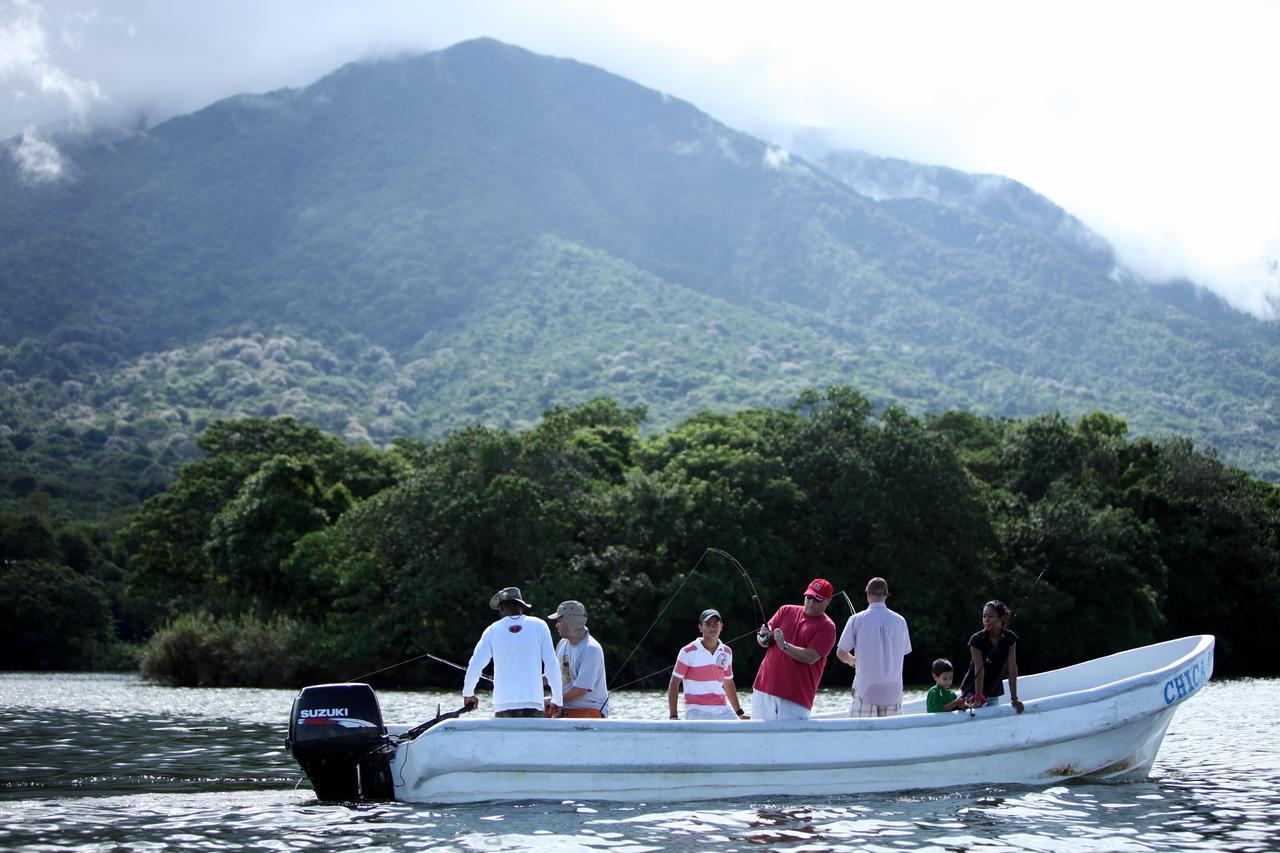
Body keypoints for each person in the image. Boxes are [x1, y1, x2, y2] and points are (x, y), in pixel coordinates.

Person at [463, 586, 562, 717]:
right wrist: (557, 699)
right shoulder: (540, 625)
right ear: (521, 607)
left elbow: (475, 664)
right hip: (534, 703)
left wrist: (468, 693)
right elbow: (551, 664)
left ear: (502, 607)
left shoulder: (492, 630)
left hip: (503, 704)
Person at [751, 579, 838, 720]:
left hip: (795, 697)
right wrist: (763, 637)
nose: (811, 601)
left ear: (828, 601)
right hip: (763, 688)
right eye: (808, 596)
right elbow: (763, 641)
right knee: (759, 739)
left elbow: (811, 657)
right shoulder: (786, 610)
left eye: (817, 599)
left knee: (791, 742)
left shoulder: (827, 627)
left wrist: (784, 645)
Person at [836, 577, 912, 717]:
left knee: (860, 737)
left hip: (866, 691)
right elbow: (904, 652)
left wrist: (852, 660)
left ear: (868, 594)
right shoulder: (901, 621)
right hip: (893, 692)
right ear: (886, 595)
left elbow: (841, 653)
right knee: (890, 737)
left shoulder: (856, 619)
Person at [667, 609, 748, 720]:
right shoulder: (687, 651)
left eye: (716, 624)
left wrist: (739, 713)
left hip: (722, 709)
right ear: (700, 627)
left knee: (741, 733)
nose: (712, 627)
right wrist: (673, 716)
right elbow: (674, 682)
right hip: (695, 710)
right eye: (708, 624)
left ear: (721, 626)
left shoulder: (727, 652)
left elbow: (728, 682)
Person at [959, 599, 1024, 713]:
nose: (986, 620)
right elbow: (979, 669)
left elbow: (1012, 669)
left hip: (993, 691)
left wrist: (1014, 698)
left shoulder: (1010, 638)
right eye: (984, 616)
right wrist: (978, 696)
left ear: (1001, 618)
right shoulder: (976, 639)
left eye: (990, 616)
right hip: (972, 691)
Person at [546, 600, 609, 718]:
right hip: (563, 708)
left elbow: (581, 689)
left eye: (559, 621)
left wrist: (554, 700)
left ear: (570, 621)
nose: (556, 625)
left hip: (588, 711)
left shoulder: (591, 649)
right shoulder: (562, 643)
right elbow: (552, 673)